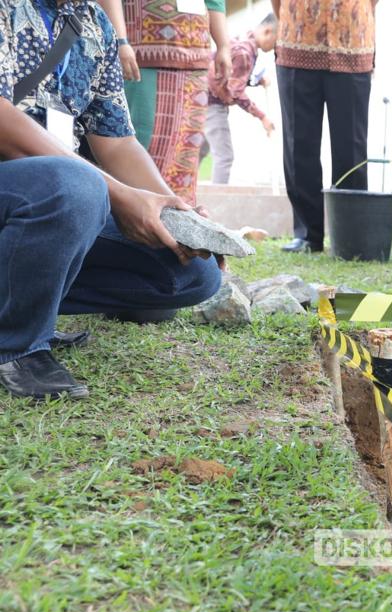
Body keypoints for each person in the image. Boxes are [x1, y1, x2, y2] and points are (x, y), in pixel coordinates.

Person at [0, 1, 221, 401]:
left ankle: (28, 304)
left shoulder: (94, 22)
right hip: (33, 188)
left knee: (189, 272)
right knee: (76, 187)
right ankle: (16, 345)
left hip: (50, 196)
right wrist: (118, 195)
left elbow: (117, 141)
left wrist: (168, 210)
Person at [98, 0, 232, 205]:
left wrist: (223, 46)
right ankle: (131, 219)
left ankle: (180, 217)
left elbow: (215, 2)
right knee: (140, 143)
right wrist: (120, 40)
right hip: (142, 59)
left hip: (195, 64)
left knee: (185, 155)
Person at [273, 0, 377, 253]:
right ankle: (308, 235)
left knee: (351, 146)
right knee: (299, 144)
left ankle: (350, 235)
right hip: (297, 41)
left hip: (352, 42)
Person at [204, 14, 279, 185]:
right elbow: (235, 92)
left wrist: (256, 81)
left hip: (200, 99)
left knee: (198, 152)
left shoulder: (242, 41)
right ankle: (217, 203)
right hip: (212, 104)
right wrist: (263, 117)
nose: (276, 47)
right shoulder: (245, 53)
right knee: (224, 157)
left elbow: (233, 77)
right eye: (276, 42)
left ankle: (188, 196)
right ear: (268, 31)